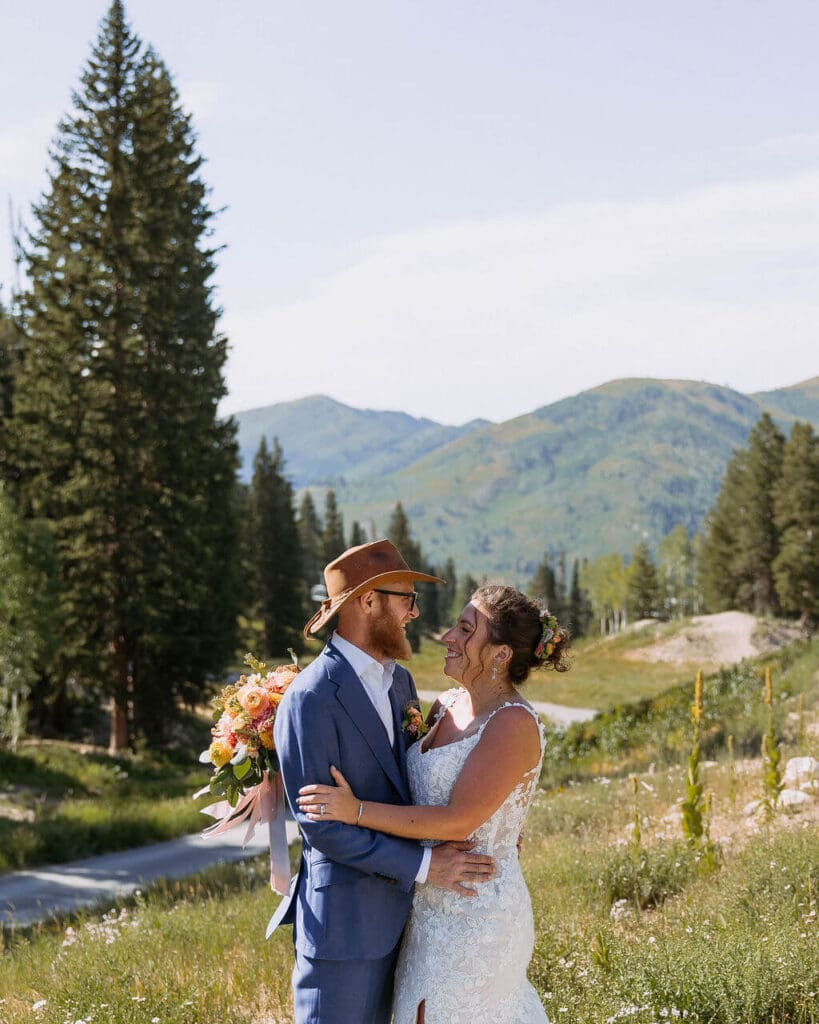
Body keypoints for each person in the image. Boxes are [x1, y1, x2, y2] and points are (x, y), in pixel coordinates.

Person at [298, 583, 571, 1024]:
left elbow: (457, 819)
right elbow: (405, 782)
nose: (447, 636)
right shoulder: (445, 705)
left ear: (501, 654)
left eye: (465, 629)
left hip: (476, 910)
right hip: (425, 910)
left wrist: (355, 812)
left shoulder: (513, 724)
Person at [271, 540, 497, 1024]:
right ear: (367, 601)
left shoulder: (402, 684)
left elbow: (411, 785)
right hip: (344, 934)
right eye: (405, 599)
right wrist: (424, 865)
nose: (414, 613)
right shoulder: (309, 699)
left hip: (414, 930)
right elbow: (323, 830)